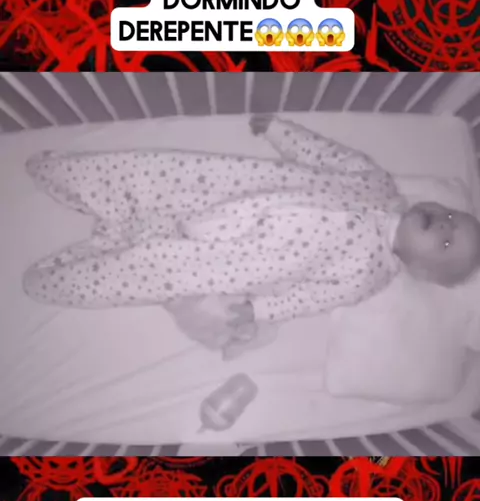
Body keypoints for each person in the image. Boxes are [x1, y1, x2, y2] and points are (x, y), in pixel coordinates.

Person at [23, 114, 480, 338]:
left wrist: (261, 311)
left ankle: (55, 281)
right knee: (144, 173)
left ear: (420, 270)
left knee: (143, 271)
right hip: (219, 191)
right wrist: (279, 131)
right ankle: (63, 174)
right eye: (452, 217)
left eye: (445, 242)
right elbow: (328, 155)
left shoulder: (370, 275)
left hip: (223, 259)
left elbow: (311, 298)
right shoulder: (378, 184)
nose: (444, 223)